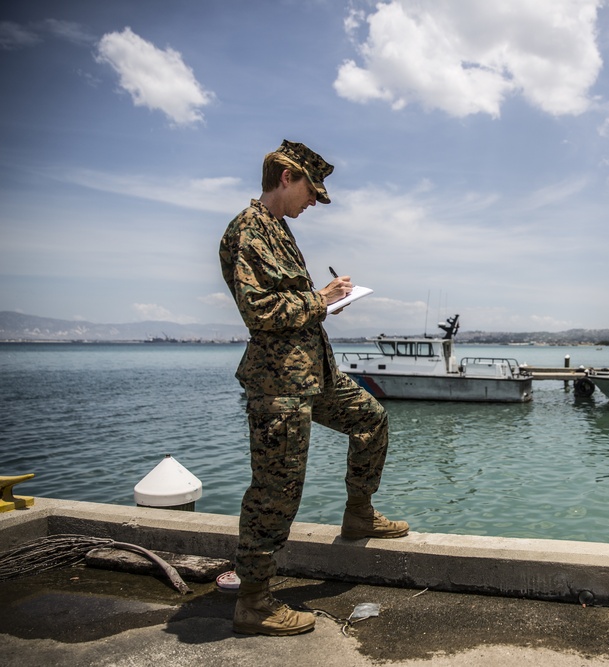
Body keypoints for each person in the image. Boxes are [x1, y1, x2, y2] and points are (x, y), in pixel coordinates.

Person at [219, 140, 409, 636]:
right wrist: (320, 299)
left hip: (312, 372)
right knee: (276, 488)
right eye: (310, 192)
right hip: (278, 381)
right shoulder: (248, 230)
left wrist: (324, 302)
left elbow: (292, 304)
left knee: (371, 418)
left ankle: (359, 514)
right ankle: (255, 602)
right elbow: (259, 312)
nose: (313, 202)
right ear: (287, 177)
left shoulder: (278, 230)